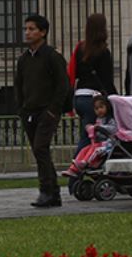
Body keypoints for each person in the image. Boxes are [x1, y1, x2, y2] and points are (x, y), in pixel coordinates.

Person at [14, 13, 71, 209]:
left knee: (40, 148)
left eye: (32, 29)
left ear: (43, 32)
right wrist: (21, 109)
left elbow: (63, 85)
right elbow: (19, 85)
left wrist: (53, 110)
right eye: (26, 29)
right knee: (39, 151)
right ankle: (52, 192)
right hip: (29, 111)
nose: (27, 33)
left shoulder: (52, 56)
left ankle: (46, 190)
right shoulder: (23, 60)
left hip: (47, 111)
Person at [70, 13, 116, 136]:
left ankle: (81, 155)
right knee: (90, 137)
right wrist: (114, 98)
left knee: (87, 132)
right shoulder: (103, 51)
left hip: (79, 96)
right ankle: (78, 156)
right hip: (93, 98)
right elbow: (106, 80)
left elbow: (76, 72)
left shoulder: (80, 49)